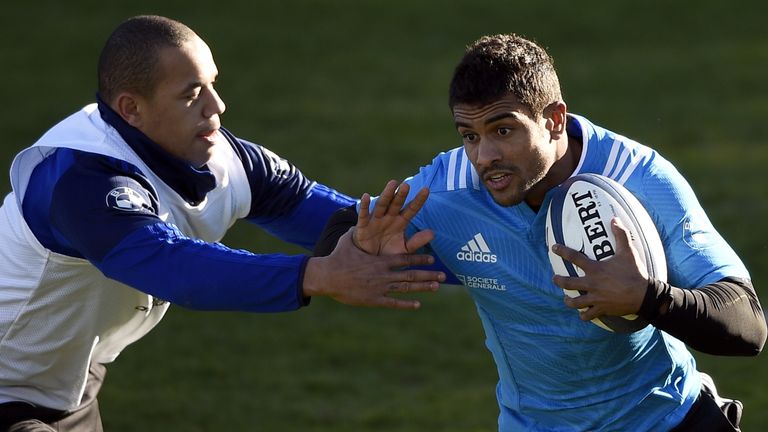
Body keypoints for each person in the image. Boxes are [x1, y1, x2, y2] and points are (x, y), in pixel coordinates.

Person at [0, 15, 446, 432]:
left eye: (213, 84)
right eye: (192, 94)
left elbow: (338, 219)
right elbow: (169, 263)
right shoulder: (79, 177)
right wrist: (317, 275)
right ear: (131, 108)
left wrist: (493, 253)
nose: (218, 105)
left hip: (69, 389)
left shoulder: (225, 160)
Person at [317, 34, 767, 431]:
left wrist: (648, 298)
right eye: (468, 135)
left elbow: (747, 325)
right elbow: (346, 225)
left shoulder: (639, 178)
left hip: (671, 420)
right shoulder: (451, 187)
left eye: (503, 129)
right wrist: (355, 247)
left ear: (554, 118)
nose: (483, 156)